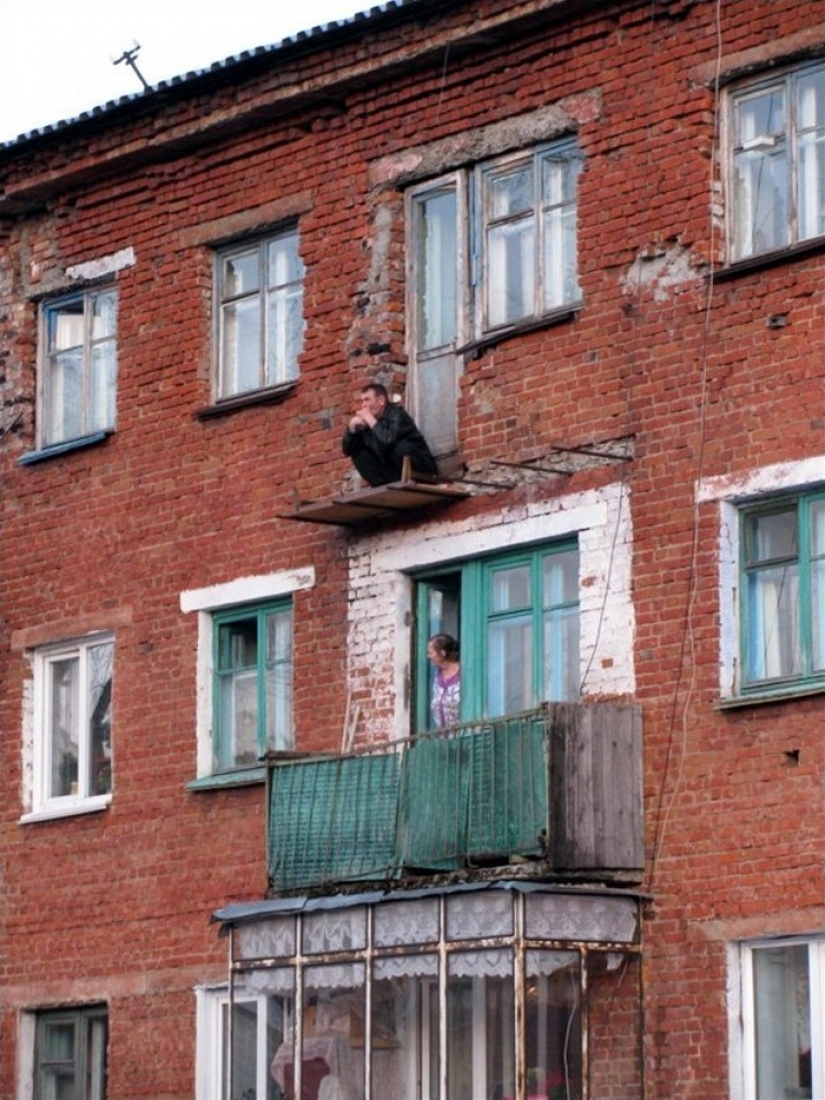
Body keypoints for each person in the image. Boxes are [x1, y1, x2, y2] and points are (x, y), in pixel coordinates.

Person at [342, 382, 439, 486]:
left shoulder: (397, 414)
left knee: (401, 448)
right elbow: (348, 450)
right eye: (362, 401)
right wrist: (351, 428)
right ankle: (381, 485)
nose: (363, 405)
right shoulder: (366, 423)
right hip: (393, 474)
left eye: (367, 400)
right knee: (358, 454)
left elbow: (387, 441)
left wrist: (370, 420)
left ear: (381, 401)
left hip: (422, 467)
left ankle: (411, 480)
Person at [427, 633, 461, 729]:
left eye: (431, 652)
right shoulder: (438, 675)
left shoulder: (463, 673)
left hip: (465, 738)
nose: (428, 656)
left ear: (442, 653)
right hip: (444, 740)